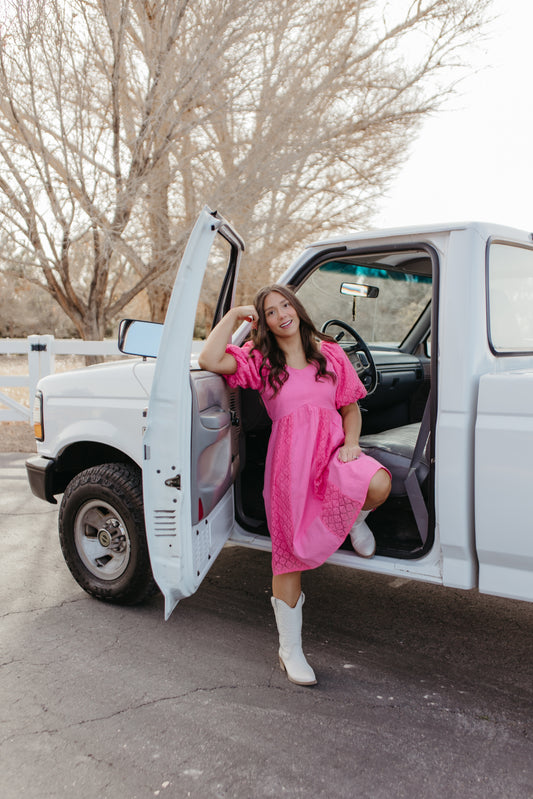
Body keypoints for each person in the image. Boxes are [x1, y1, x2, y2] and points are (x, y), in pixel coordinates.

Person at [198, 285, 391, 686]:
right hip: (289, 465)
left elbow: (351, 408)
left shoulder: (330, 353)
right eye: (270, 311)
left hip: (334, 452)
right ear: (264, 322)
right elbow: (209, 358)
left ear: (298, 309)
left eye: (286, 305)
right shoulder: (261, 361)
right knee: (289, 557)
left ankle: (355, 517)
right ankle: (290, 649)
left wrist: (352, 444)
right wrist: (235, 316)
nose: (282, 314)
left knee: (378, 482)